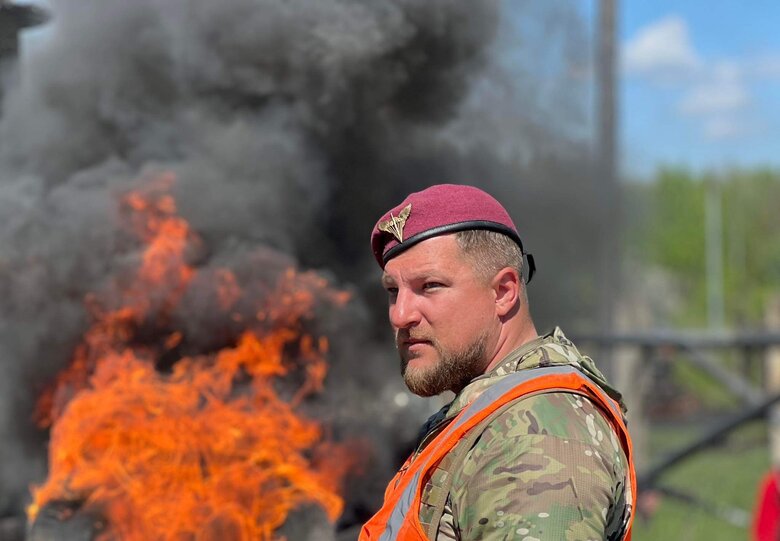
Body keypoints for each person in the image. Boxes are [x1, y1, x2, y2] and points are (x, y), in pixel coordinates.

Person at [359, 184, 636, 541]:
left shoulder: (534, 436)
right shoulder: (492, 415)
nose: (400, 315)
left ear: (504, 292)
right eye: (393, 291)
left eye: (429, 286)